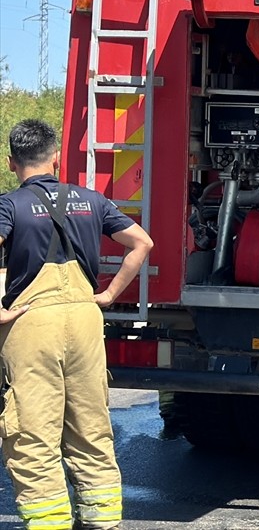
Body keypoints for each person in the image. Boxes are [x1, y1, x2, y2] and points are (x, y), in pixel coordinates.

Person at [0, 119, 153, 530]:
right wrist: (108, 295)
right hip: (87, 318)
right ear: (55, 158)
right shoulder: (91, 199)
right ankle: (102, 520)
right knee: (90, 425)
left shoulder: (8, 205)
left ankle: (49, 522)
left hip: (32, 321)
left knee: (32, 430)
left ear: (12, 161)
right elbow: (143, 243)